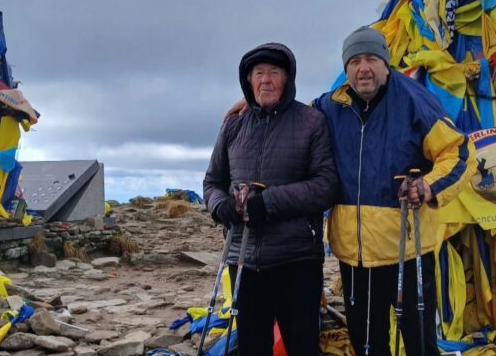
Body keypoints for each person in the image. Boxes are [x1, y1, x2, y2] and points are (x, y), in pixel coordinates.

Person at [311, 27, 475, 355]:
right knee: (367, 342)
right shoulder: (330, 107)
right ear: (346, 69)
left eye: (371, 58)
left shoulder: (414, 99)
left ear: (386, 64)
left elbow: (458, 152)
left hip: (408, 247)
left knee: (418, 341)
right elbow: (293, 125)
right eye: (355, 61)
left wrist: (429, 186)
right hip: (354, 253)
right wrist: (254, 101)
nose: (364, 68)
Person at [203, 43, 339, 356]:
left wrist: (268, 202)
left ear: (287, 79)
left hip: (297, 260)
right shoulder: (233, 125)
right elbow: (212, 182)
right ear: (248, 81)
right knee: (252, 346)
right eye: (259, 73)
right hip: (244, 259)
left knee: (302, 346)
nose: (266, 80)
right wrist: (220, 206)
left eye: (274, 73)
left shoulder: (311, 121)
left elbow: (325, 186)